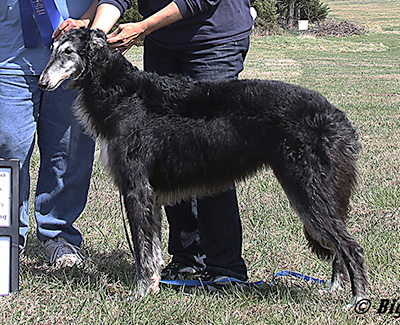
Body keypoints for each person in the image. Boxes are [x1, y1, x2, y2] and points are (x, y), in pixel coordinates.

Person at [107, 0, 254, 287]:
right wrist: (95, 33)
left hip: (213, 39)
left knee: (211, 153)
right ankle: (186, 258)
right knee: (165, 156)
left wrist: (143, 26)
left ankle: (226, 267)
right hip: (163, 43)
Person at [0, 0, 121, 268]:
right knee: (8, 145)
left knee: (70, 150)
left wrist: (90, 24)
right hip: (8, 57)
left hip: (73, 63)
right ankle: (5, 240)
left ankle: (59, 235)